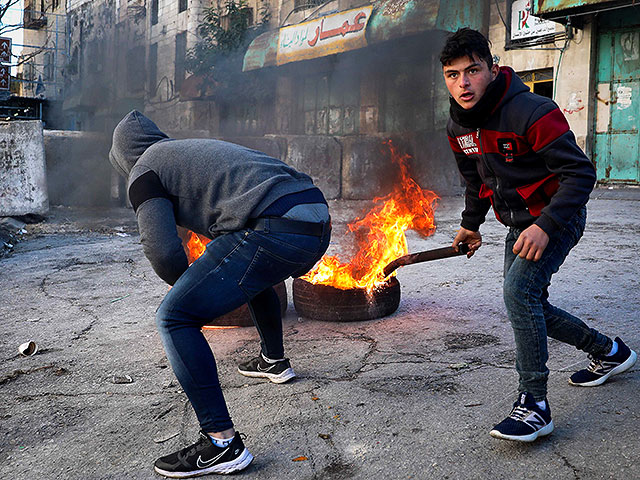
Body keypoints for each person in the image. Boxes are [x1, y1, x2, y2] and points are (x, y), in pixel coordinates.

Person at [440, 28, 636, 443]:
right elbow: (475, 179)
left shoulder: (531, 110)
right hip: (517, 224)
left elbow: (580, 174)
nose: (463, 83)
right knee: (528, 304)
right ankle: (609, 353)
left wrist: (545, 226)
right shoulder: (458, 126)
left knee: (519, 297)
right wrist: (471, 223)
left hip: (556, 218)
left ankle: (535, 405)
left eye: (472, 71)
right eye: (453, 74)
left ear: (492, 69)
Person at [109, 110, 331, 476]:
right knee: (249, 268)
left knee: (173, 317)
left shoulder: (144, 171)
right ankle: (273, 361)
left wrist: (187, 293)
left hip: (277, 230)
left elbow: (162, 249)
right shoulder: (185, 154)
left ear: (121, 156)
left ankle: (221, 443)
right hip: (316, 222)